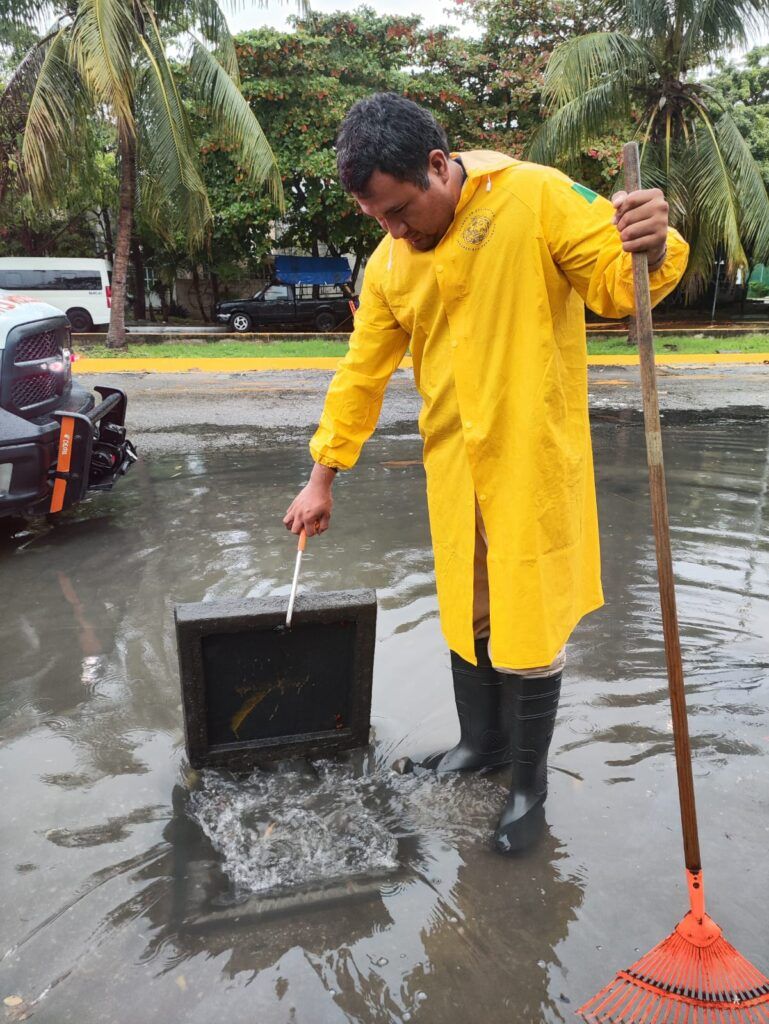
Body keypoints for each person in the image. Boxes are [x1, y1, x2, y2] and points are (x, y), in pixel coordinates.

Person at [283, 93, 689, 853]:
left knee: (527, 622)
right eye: (378, 219)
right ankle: (482, 744)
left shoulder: (535, 197)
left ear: (438, 167)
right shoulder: (389, 265)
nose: (394, 230)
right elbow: (360, 374)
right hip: (453, 469)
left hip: (533, 463)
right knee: (468, 613)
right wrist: (321, 478)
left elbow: (614, 284)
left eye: (400, 211)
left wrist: (653, 241)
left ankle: (528, 785)